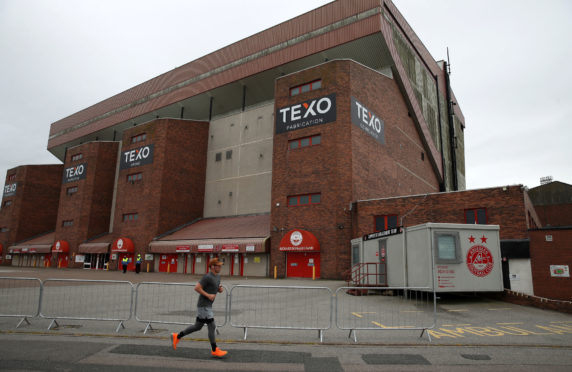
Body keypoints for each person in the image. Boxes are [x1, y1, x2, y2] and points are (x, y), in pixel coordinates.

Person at [171, 257, 227, 358]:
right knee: (212, 326)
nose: (220, 267)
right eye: (218, 266)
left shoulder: (218, 276)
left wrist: (219, 289)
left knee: (198, 326)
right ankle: (214, 349)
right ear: (212, 266)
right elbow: (197, 288)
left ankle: (177, 336)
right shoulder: (207, 277)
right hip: (204, 305)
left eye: (220, 266)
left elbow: (217, 286)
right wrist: (208, 295)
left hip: (208, 306)